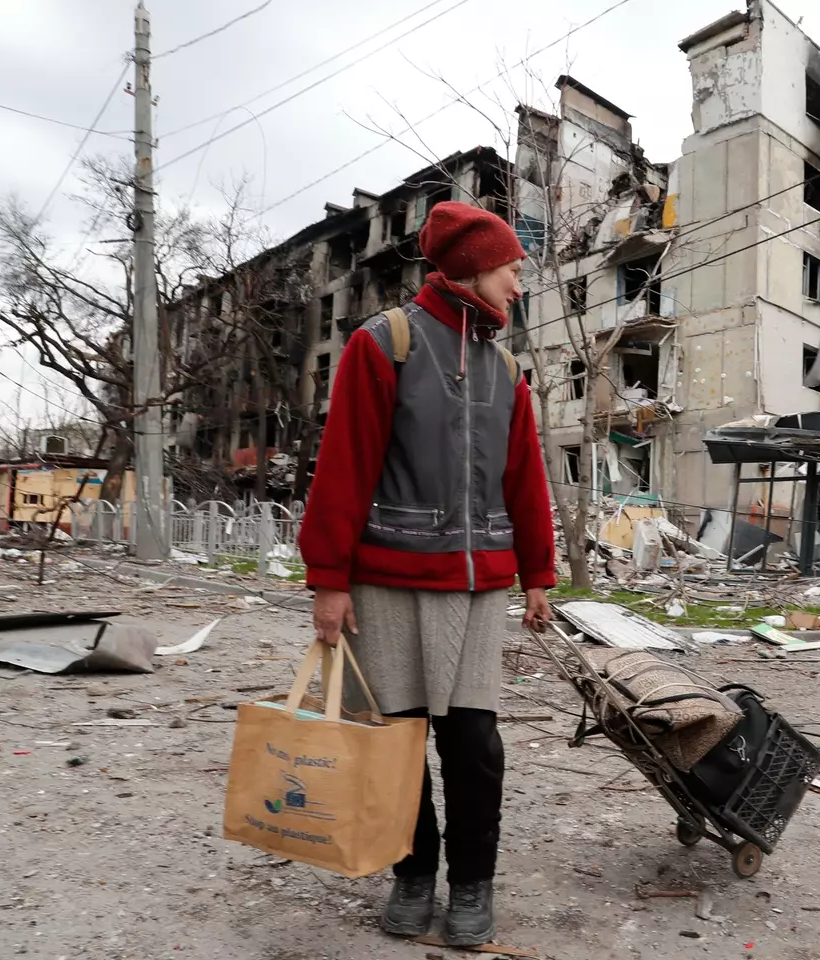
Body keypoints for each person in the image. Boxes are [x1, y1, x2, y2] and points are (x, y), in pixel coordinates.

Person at [298, 200, 555, 946]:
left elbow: (525, 479)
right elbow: (344, 466)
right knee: (397, 742)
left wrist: (538, 573)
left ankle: (472, 885)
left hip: (476, 594)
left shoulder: (508, 368)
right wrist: (329, 578)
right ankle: (413, 875)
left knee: (473, 746)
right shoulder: (387, 344)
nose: (518, 284)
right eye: (513, 269)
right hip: (387, 583)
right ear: (475, 265)